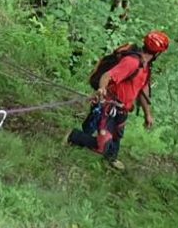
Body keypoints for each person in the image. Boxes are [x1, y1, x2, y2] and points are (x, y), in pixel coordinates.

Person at [67, 31, 170, 170]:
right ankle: (73, 137)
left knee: (116, 135)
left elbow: (142, 91)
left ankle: (111, 157)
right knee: (101, 143)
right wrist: (102, 89)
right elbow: (107, 76)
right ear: (158, 53)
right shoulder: (132, 62)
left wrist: (147, 114)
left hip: (123, 108)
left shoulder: (146, 67)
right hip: (108, 104)